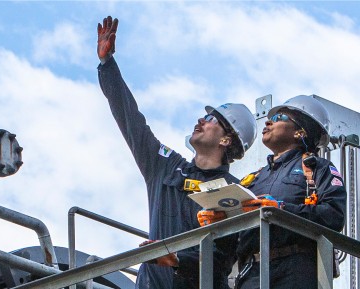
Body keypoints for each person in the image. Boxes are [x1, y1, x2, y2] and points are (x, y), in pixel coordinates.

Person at [96, 16, 257, 289]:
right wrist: (107, 65)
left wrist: (177, 258)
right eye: (204, 117)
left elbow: (224, 257)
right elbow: (130, 119)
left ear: (227, 140)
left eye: (213, 120)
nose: (201, 121)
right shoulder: (167, 167)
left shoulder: (232, 192)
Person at [211, 95, 346, 289]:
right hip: (251, 275)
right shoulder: (253, 179)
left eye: (278, 118)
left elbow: (334, 215)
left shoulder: (318, 169)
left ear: (300, 132)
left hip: (295, 273)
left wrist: (281, 209)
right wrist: (219, 221)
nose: (268, 121)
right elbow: (233, 240)